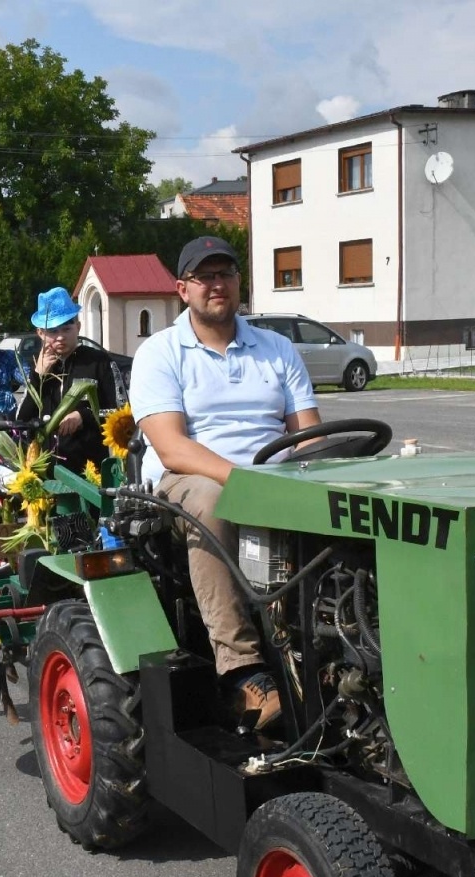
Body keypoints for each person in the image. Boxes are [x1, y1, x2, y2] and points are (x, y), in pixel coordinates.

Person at [127, 236, 321, 731]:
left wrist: (313, 476)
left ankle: (331, 639)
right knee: (213, 501)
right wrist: (248, 481)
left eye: (226, 274)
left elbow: (308, 435)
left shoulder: (276, 348)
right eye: (204, 276)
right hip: (187, 481)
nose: (217, 285)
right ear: (182, 289)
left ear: (239, 283)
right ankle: (243, 673)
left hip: (270, 475)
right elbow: (172, 448)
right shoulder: (161, 352)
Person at [17, 287, 119, 473]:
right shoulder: (37, 367)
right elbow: (21, 419)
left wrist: (84, 416)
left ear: (78, 327)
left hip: (89, 470)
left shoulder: (99, 362)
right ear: (40, 333)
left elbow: (120, 413)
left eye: (67, 328)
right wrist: (38, 376)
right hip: (44, 471)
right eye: (53, 331)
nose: (60, 337)